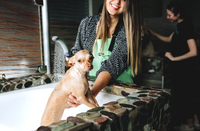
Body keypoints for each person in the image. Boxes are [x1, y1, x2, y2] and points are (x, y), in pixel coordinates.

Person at [66, 0, 143, 108]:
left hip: (119, 93)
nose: (117, 1)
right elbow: (78, 53)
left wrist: (91, 94)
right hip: (92, 89)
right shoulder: (87, 23)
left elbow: (112, 65)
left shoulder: (130, 29)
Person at [149, 1, 199, 131]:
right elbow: (170, 39)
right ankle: (195, 122)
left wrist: (174, 58)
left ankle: (189, 126)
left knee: (184, 95)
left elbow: (194, 51)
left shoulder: (186, 26)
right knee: (187, 93)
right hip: (180, 66)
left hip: (184, 67)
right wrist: (154, 34)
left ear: (178, 14)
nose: (167, 17)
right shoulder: (180, 24)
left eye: (170, 15)